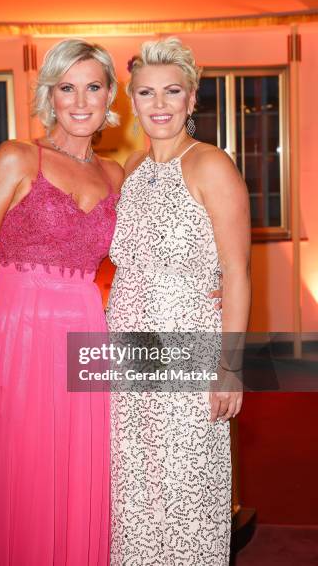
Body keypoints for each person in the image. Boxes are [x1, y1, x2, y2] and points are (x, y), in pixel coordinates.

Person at [0, 39, 123, 566]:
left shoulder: (117, 175)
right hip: (20, 336)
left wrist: (210, 284)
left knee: (83, 469)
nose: (80, 100)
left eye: (93, 86)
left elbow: (147, 259)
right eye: (67, 87)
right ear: (49, 94)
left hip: (88, 338)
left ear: (110, 96)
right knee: (23, 472)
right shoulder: (17, 156)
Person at [106, 38, 251, 565]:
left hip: (189, 354)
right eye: (146, 92)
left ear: (192, 99)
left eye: (172, 91)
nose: (159, 103)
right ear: (132, 101)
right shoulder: (133, 173)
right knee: (134, 492)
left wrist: (229, 367)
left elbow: (237, 271)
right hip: (127, 356)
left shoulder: (212, 165)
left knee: (186, 492)